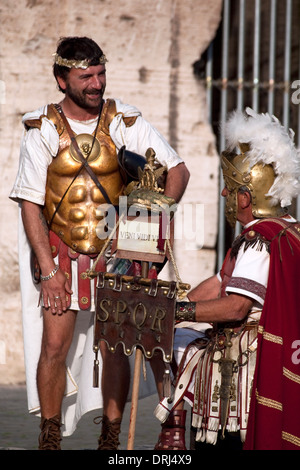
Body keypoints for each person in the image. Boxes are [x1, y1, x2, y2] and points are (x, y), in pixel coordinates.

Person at [10, 36, 190, 450]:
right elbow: (29, 203)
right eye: (85, 76)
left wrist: (156, 209)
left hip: (118, 256)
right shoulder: (42, 128)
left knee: (117, 346)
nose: (96, 84)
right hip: (63, 253)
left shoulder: (125, 120)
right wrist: (49, 270)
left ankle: (110, 440)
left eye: (100, 73)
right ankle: (50, 438)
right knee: (54, 345)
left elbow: (177, 169)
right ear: (61, 79)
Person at [154, 107, 300, 450]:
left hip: (245, 369)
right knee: (176, 339)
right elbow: (222, 282)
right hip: (260, 354)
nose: (225, 196)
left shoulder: (258, 240)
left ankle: (172, 428)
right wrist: (172, 305)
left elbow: (235, 306)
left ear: (246, 197)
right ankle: (173, 426)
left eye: (230, 189)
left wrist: (175, 314)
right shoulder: (288, 230)